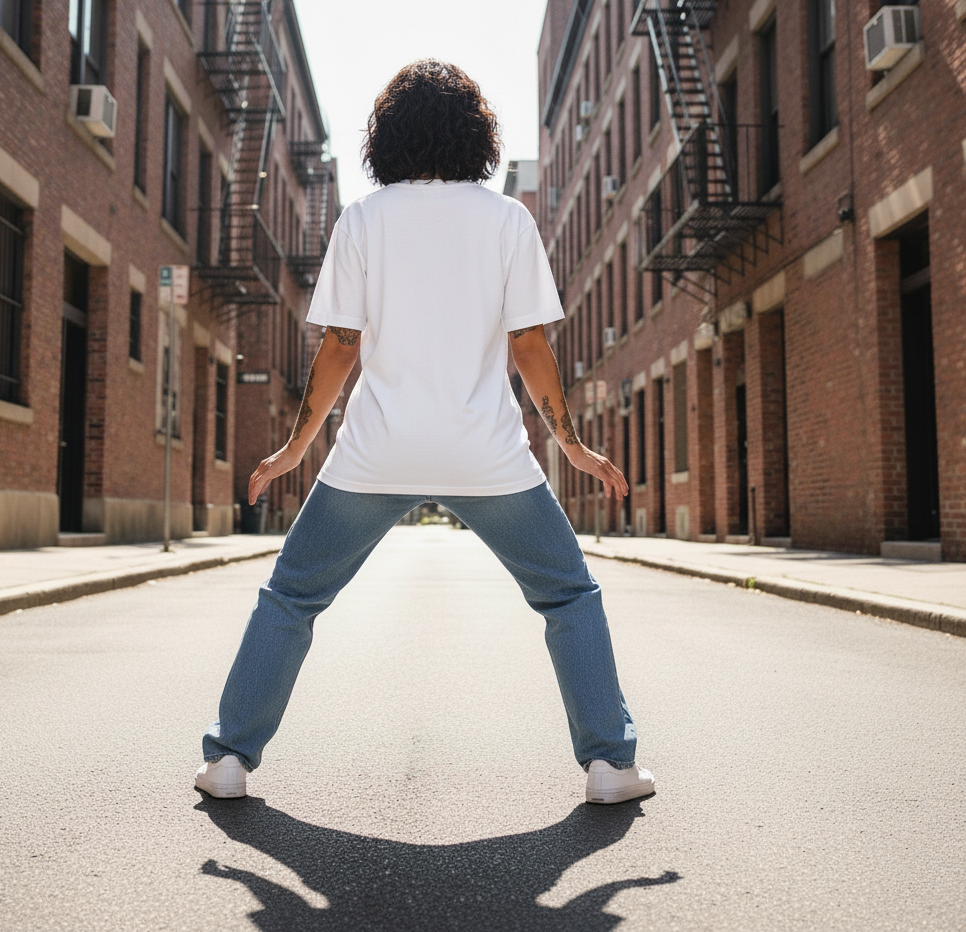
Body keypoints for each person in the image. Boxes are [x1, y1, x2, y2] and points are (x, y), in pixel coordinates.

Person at [197, 60, 655, 806]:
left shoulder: (363, 221)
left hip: (377, 453)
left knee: (290, 597)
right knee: (569, 596)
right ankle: (609, 764)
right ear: (476, 135)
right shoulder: (508, 220)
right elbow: (529, 347)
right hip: (488, 456)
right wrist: (572, 444)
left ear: (389, 137)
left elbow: (340, 348)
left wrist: (293, 450)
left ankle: (229, 760)